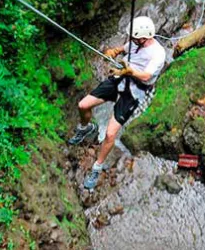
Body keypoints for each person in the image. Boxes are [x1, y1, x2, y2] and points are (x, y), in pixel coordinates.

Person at [68, 16, 166, 189]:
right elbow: (124, 48)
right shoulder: (136, 43)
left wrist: (130, 71)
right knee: (83, 105)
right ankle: (86, 128)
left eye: (135, 38)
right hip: (119, 78)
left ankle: (97, 167)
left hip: (134, 91)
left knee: (110, 134)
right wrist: (114, 51)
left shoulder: (158, 54)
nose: (132, 40)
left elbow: (147, 76)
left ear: (144, 37)